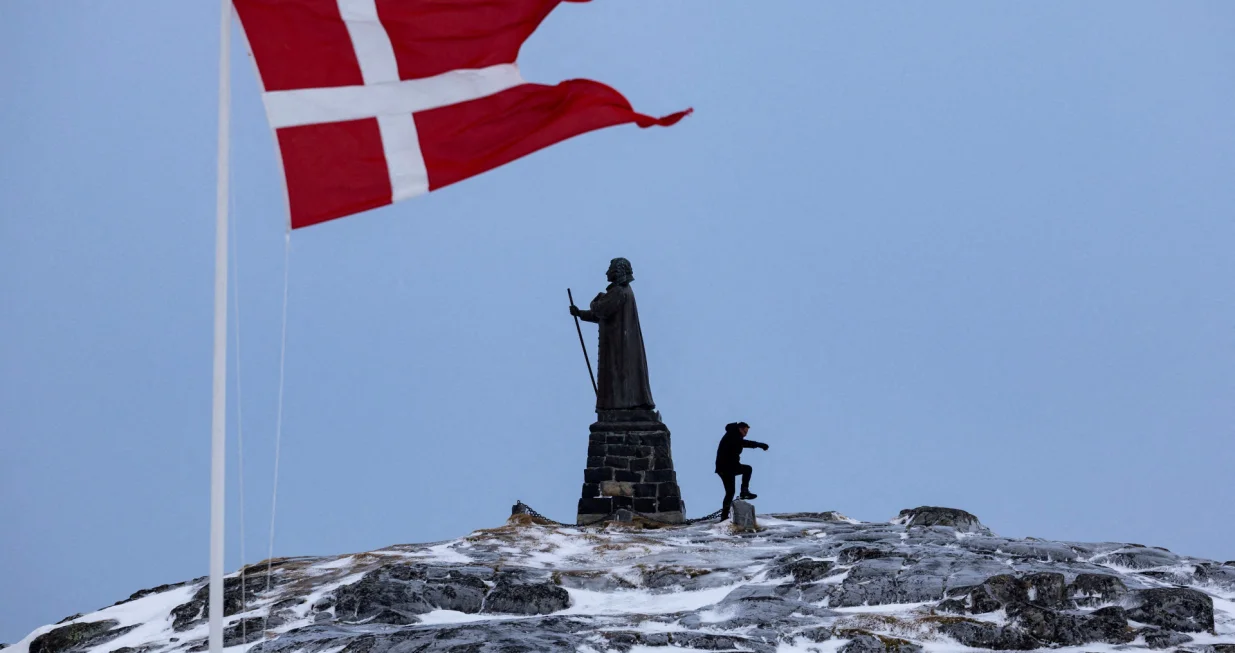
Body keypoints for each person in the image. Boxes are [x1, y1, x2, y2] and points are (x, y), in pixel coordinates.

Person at [569, 257, 655, 412]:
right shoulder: (622, 291)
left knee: (620, 375)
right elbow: (602, 315)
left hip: (619, 345)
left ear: (618, 271)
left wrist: (596, 301)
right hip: (619, 343)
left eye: (610, 269)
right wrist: (580, 313)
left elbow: (600, 310)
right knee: (620, 376)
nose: (607, 272)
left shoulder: (619, 291)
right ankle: (620, 404)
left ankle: (622, 405)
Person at [715, 421, 768, 519]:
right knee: (747, 469)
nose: (746, 433)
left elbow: (742, 443)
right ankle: (744, 492)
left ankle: (724, 515)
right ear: (740, 428)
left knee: (730, 492)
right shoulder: (733, 435)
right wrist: (759, 445)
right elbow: (744, 443)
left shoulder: (733, 435)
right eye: (745, 431)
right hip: (727, 467)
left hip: (725, 467)